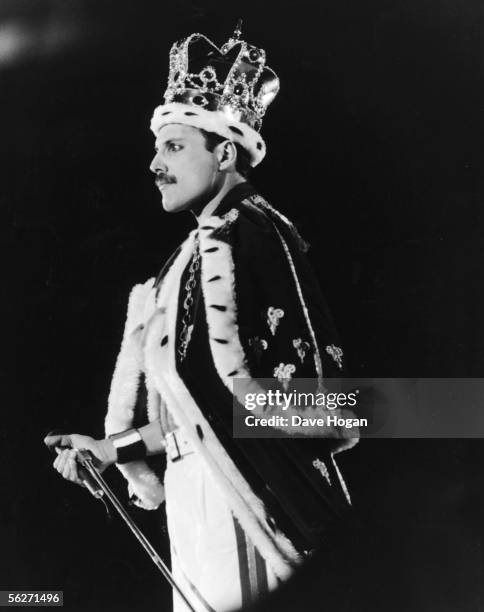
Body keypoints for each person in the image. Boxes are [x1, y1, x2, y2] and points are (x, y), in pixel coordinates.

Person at [45, 25, 357, 612]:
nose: (155, 163)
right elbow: (196, 416)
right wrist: (113, 449)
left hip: (254, 503)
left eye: (175, 146)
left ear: (226, 152)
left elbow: (326, 400)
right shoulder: (181, 263)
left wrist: (440, 408)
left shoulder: (259, 234)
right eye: (158, 147)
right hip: (195, 506)